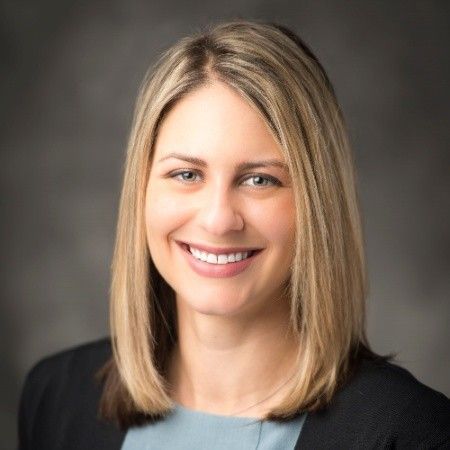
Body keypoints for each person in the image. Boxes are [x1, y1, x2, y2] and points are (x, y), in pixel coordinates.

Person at [18, 20, 449, 450]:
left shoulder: (407, 432)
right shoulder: (56, 398)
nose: (218, 220)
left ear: (318, 205)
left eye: (259, 180)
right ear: (142, 190)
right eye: (186, 174)